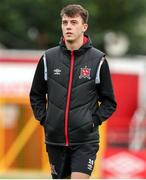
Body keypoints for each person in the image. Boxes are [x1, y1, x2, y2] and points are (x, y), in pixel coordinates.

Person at [29, 4, 117, 179]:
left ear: (84, 27)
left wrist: (92, 121)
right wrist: (46, 119)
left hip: (85, 140)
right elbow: (36, 95)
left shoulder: (98, 60)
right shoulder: (48, 58)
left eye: (74, 22)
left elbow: (109, 102)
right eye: (65, 22)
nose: (68, 26)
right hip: (55, 139)